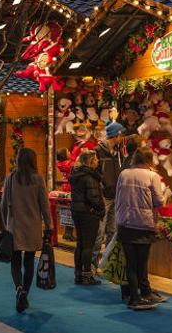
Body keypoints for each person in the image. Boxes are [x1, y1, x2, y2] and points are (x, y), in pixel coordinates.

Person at [115, 147, 168, 310]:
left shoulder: (124, 174)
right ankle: (141, 296)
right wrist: (166, 194)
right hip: (143, 223)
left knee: (131, 263)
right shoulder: (153, 176)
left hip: (125, 222)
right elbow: (159, 202)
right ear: (149, 160)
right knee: (142, 262)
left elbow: (117, 197)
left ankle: (136, 296)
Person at [0, 148, 52, 313]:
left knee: (15, 262)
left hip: (14, 226)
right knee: (28, 262)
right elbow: (44, 205)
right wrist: (49, 226)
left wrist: (5, 224)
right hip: (33, 227)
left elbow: (3, 205)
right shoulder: (38, 179)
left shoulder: (11, 178)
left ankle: (19, 288)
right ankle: (25, 294)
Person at [92, 121, 126, 266]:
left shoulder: (118, 152)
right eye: (121, 134)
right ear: (116, 135)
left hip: (116, 195)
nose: (122, 137)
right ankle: (92, 264)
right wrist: (102, 187)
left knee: (112, 231)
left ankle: (108, 264)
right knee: (99, 232)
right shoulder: (98, 151)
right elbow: (94, 173)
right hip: (104, 196)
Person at [68, 150, 105, 286]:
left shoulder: (76, 174)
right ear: (90, 161)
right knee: (88, 245)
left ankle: (78, 274)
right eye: (95, 159)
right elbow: (93, 197)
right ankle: (87, 275)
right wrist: (101, 210)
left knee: (80, 244)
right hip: (88, 213)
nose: (97, 161)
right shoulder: (90, 177)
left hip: (77, 211)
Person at [56, 147, 75, 241]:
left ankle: (67, 232)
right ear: (64, 154)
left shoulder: (61, 164)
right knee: (70, 212)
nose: (70, 152)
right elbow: (76, 164)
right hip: (70, 188)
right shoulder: (68, 164)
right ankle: (68, 233)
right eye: (68, 151)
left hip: (65, 188)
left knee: (67, 212)